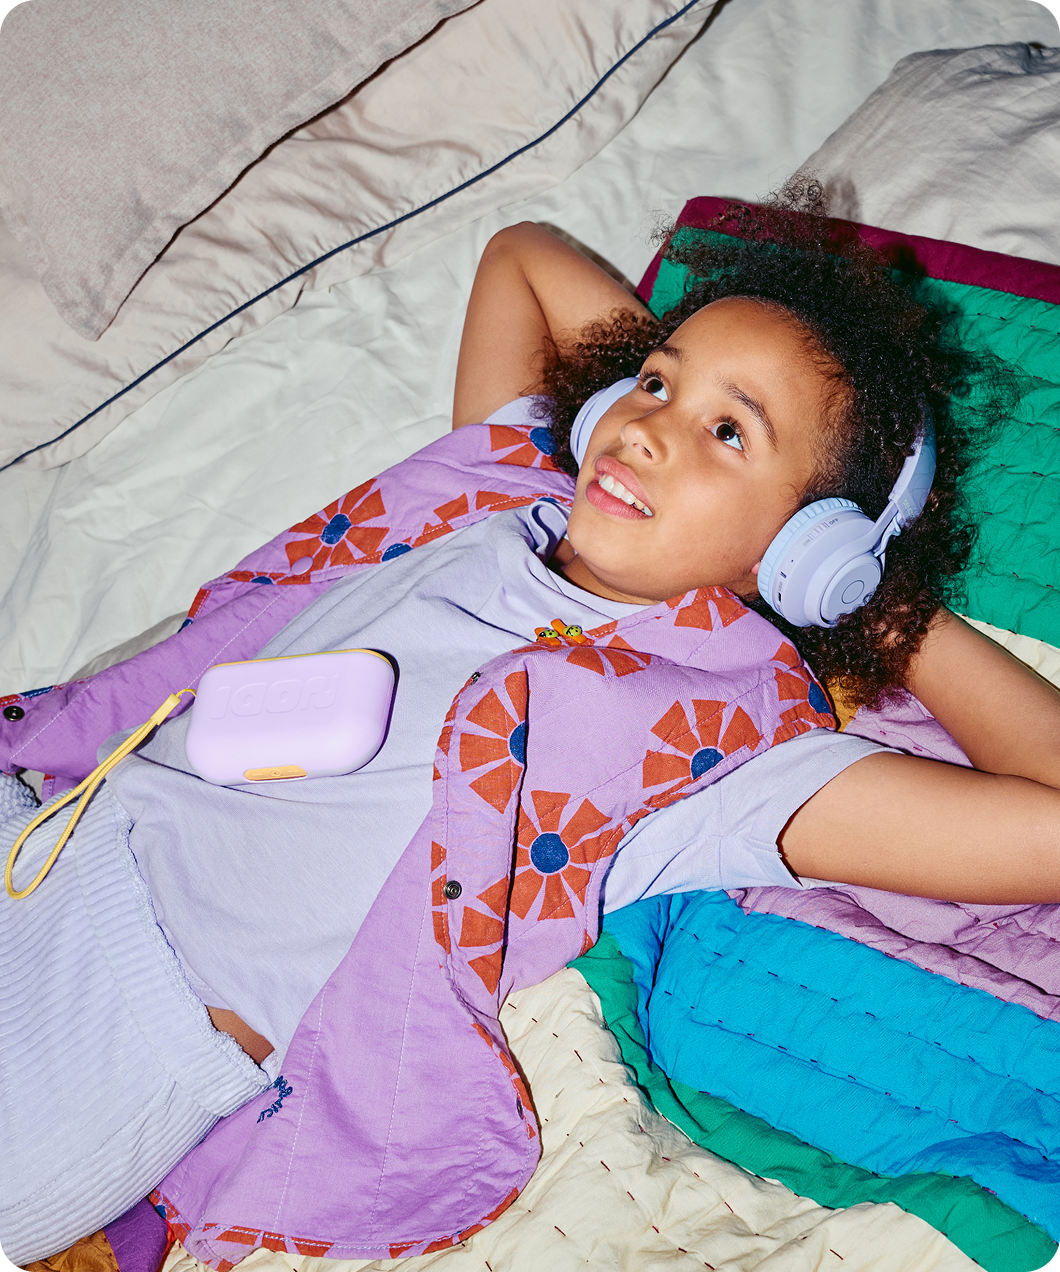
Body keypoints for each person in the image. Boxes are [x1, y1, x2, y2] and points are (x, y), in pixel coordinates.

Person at [2, 199, 1059, 1263]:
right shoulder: (496, 486)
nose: (646, 428)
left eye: (729, 432)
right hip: (47, 824)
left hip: (129, 1020)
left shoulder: (715, 749)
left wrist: (879, 607)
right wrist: (655, 386)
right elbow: (521, 258)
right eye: (655, 383)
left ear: (803, 554)